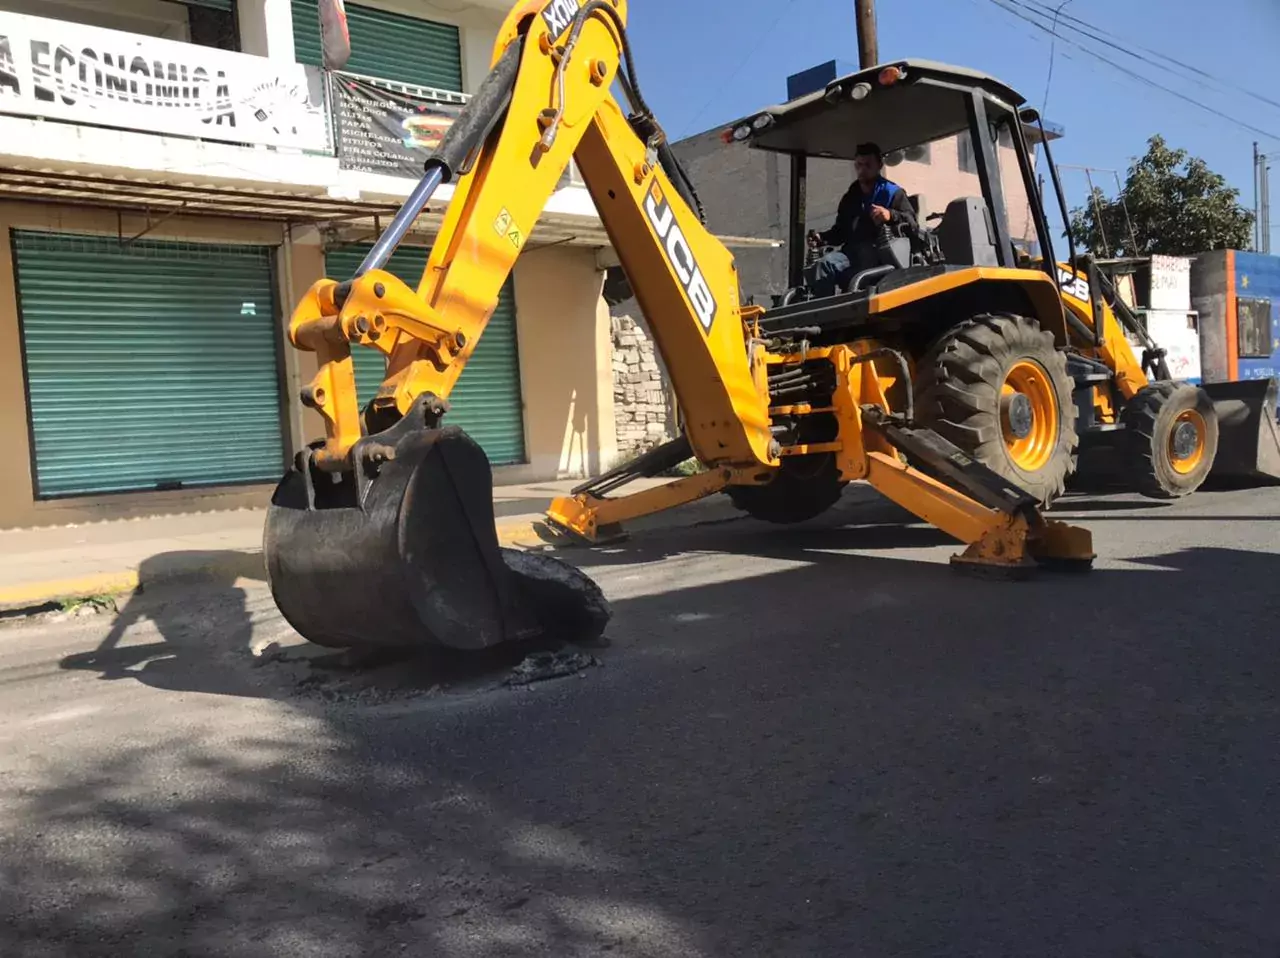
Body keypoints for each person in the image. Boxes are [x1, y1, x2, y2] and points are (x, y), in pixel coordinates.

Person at [808, 142, 917, 297]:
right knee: (824, 265)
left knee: (862, 266)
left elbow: (912, 223)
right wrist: (822, 238)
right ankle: (825, 316)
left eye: (868, 165)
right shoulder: (850, 198)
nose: (862, 170)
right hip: (851, 255)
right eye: (859, 165)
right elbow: (841, 232)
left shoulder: (892, 193)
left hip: (880, 256)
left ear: (879, 165)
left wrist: (890, 215)